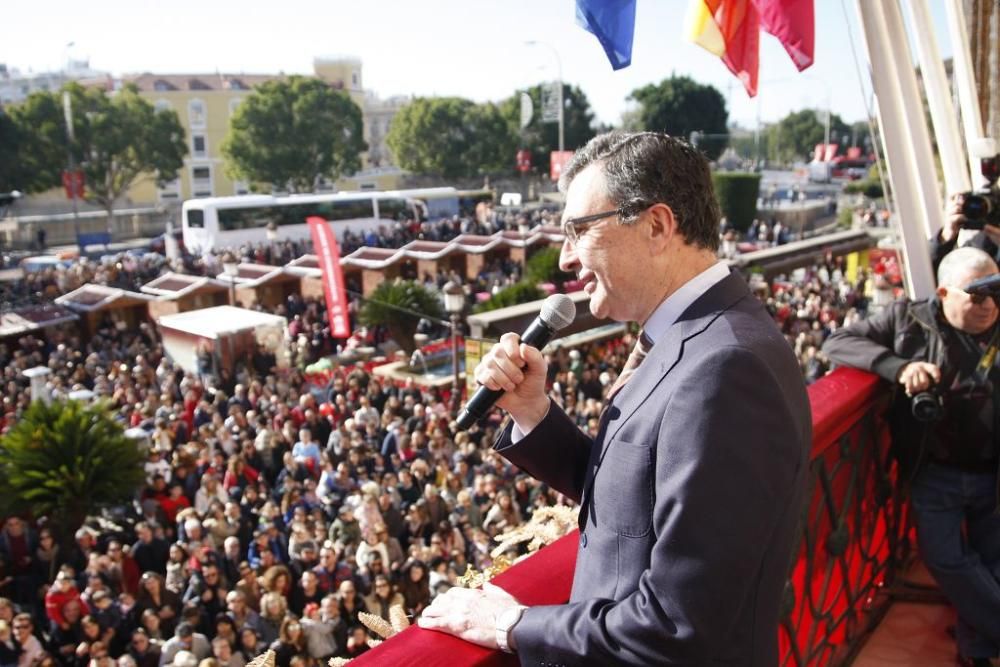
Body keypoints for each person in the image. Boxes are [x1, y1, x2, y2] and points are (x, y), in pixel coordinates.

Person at [417, 131, 812, 664]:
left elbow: (680, 623)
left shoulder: (725, 367)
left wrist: (515, 625)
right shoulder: (698, 336)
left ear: (656, 226)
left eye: (578, 231)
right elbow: (635, 502)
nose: (564, 259)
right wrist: (534, 412)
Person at [822, 246, 1000, 666]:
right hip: (934, 470)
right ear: (943, 293)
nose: (990, 304)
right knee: (946, 560)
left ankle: (976, 651)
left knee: (991, 564)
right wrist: (898, 368)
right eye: (977, 295)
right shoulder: (907, 319)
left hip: (993, 473)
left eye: (996, 292)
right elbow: (838, 342)